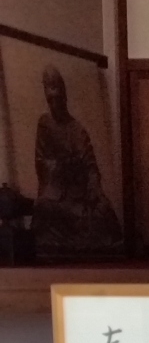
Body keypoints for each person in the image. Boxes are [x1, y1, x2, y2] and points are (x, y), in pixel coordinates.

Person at [31, 65, 122, 255]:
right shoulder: (44, 124)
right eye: (50, 99)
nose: (54, 103)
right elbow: (41, 162)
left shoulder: (77, 130)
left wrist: (94, 188)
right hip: (56, 193)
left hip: (78, 193)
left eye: (58, 97)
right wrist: (59, 166)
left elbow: (91, 167)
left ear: (64, 96)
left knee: (104, 212)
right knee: (43, 207)